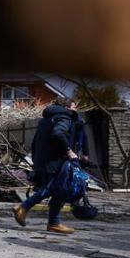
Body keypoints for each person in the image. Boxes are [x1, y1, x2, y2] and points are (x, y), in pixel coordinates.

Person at [13, 97, 86, 234]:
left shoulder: (46, 119)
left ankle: (53, 222)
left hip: (43, 160)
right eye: (75, 107)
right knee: (55, 189)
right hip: (55, 160)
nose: (76, 110)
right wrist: (69, 151)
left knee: (55, 190)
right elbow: (58, 133)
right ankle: (24, 208)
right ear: (68, 108)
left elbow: (35, 142)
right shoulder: (64, 117)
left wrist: (36, 161)